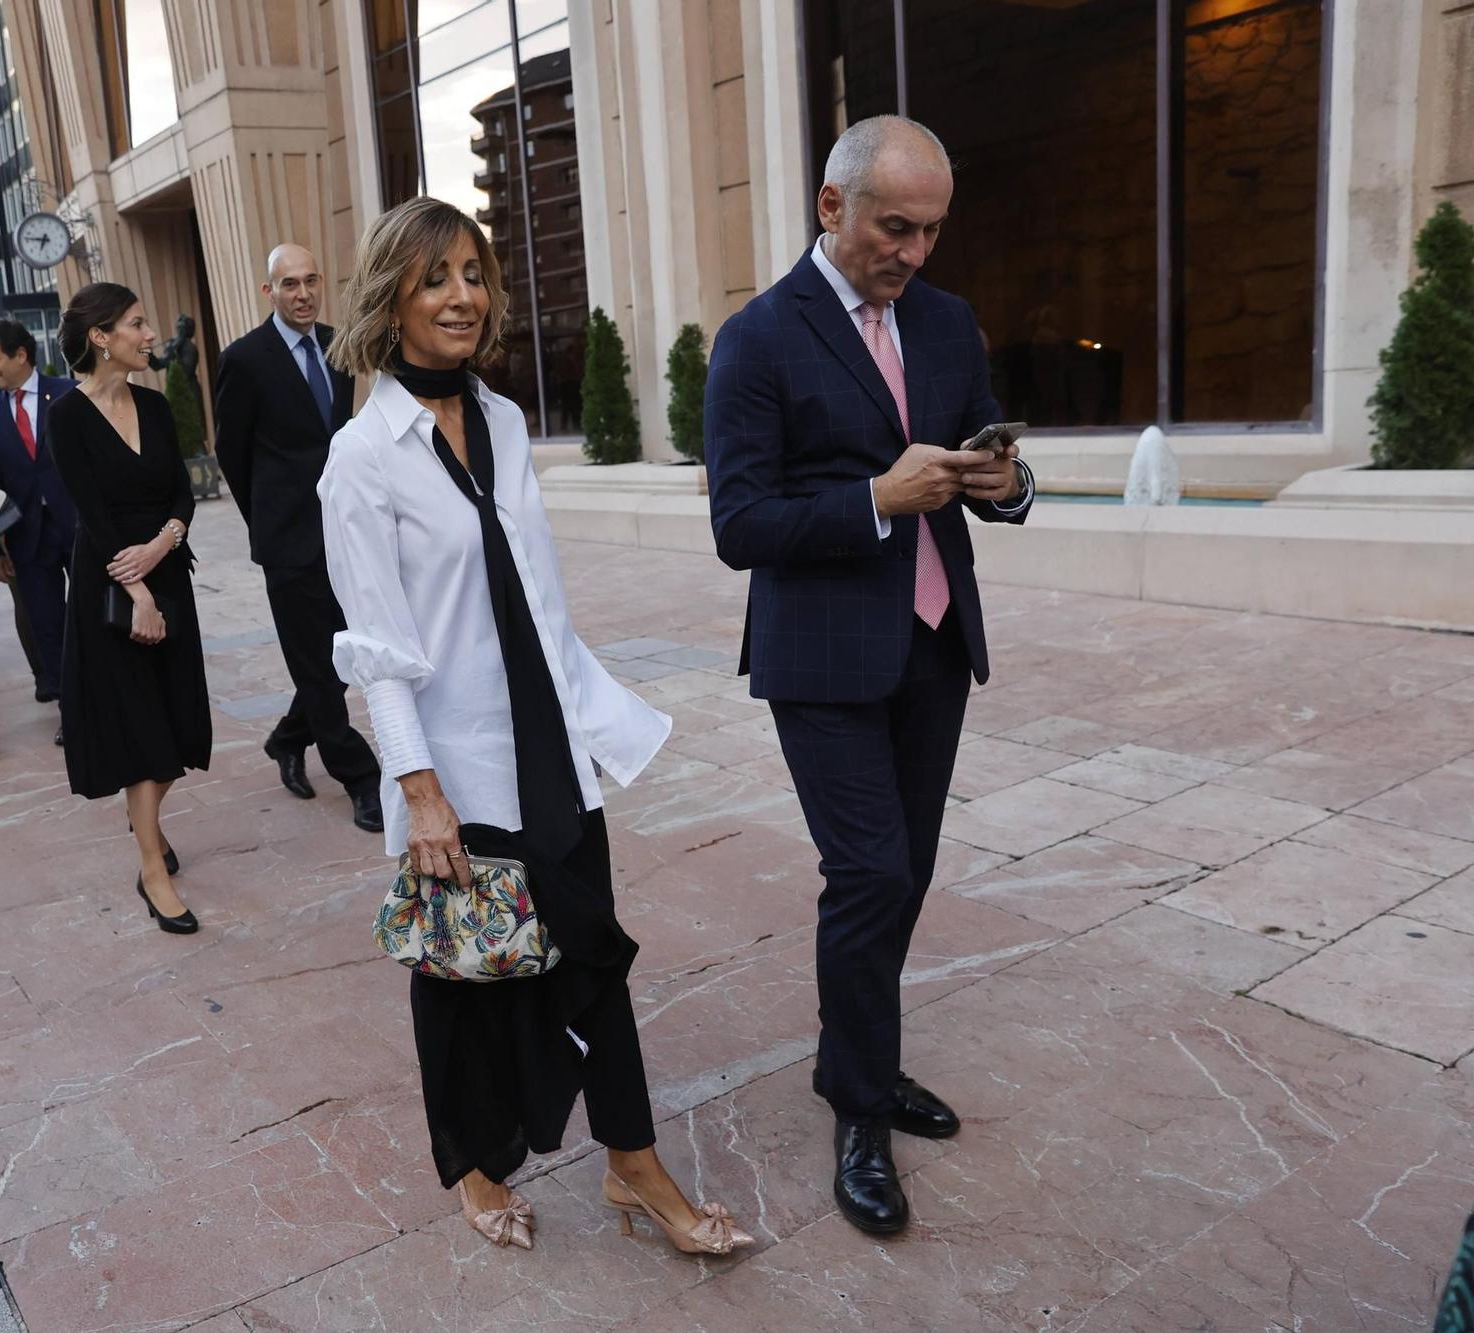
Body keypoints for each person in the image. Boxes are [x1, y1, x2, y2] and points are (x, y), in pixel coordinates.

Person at [320, 196, 752, 1258]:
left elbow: (536, 599)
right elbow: (376, 648)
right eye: (434, 277)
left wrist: (593, 718)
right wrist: (419, 792)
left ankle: (628, 1165)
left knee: (589, 953)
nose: (461, 294)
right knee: (462, 976)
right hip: (457, 764)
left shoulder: (506, 422)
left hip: (550, 746)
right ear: (391, 299)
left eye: (472, 271)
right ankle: (472, 1165)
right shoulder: (360, 458)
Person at [703, 115, 1036, 1236]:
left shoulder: (945, 322)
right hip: (822, 661)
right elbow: (739, 524)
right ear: (829, 205)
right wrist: (872, 501)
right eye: (895, 226)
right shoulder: (757, 339)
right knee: (867, 878)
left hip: (932, 642)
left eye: (931, 231)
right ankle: (858, 1107)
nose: (912, 252)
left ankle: (859, 1054)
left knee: (905, 875)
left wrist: (1003, 483)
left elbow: (985, 464)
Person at [48, 282, 209, 932]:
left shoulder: (156, 403)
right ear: (101, 336)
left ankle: (144, 815)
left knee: (181, 727)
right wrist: (136, 588)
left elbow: (182, 493)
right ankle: (152, 868)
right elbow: (92, 511)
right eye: (138, 324)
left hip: (168, 570)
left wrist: (164, 544)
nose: (151, 335)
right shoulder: (68, 416)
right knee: (145, 737)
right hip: (111, 586)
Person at [215, 243, 383, 833]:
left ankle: (288, 738)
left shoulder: (340, 348)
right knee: (316, 662)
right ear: (270, 292)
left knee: (340, 652)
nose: (303, 293)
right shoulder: (246, 358)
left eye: (311, 281)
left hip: (342, 532)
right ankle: (361, 778)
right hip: (287, 540)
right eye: (289, 284)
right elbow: (231, 453)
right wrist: (266, 520)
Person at [0, 316, 77, 743]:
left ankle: (108, 696)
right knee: (48, 625)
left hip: (79, 528)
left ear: (21, 355)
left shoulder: (69, 393)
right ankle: (71, 710)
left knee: (93, 617)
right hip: (27, 539)